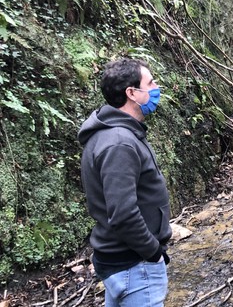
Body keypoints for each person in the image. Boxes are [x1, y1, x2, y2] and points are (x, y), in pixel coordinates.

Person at [78, 58, 171, 307]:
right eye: (150, 83)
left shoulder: (114, 134)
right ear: (132, 93)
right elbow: (123, 213)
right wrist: (153, 252)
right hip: (134, 265)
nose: (156, 87)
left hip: (124, 261)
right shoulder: (119, 142)